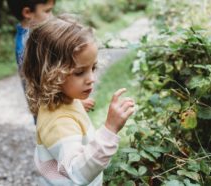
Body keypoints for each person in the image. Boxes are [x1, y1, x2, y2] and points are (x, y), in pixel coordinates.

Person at [22, 15, 135, 185]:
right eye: (79, 72)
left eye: (93, 68)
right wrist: (110, 129)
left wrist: (76, 106)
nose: (91, 79)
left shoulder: (61, 99)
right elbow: (77, 172)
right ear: (50, 74)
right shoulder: (60, 123)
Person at [6, 0, 95, 124]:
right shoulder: (29, 43)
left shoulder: (28, 36)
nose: (51, 16)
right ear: (27, 12)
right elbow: (43, 83)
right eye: (47, 11)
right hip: (51, 111)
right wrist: (75, 105)